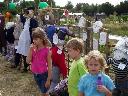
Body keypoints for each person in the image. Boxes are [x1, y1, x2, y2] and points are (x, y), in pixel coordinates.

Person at [26, 27, 52, 96]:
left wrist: (48, 79)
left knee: (45, 93)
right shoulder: (33, 48)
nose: (34, 41)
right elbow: (28, 61)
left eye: (36, 39)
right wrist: (30, 50)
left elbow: (49, 66)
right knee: (43, 91)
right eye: (33, 39)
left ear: (41, 39)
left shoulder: (47, 50)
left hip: (44, 75)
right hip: (35, 74)